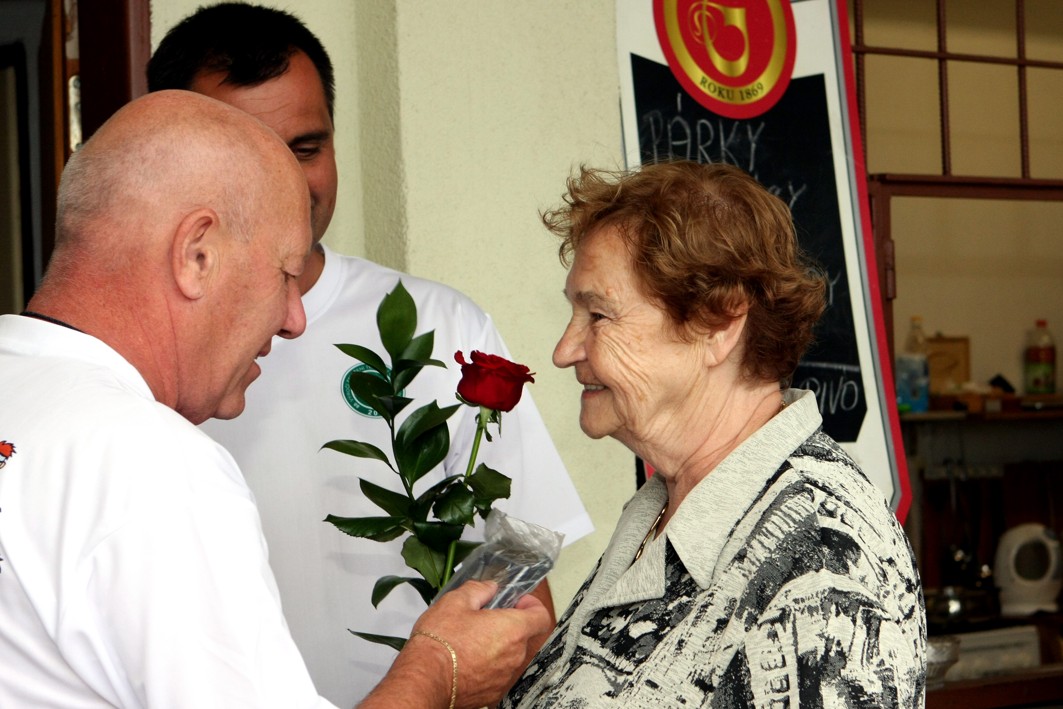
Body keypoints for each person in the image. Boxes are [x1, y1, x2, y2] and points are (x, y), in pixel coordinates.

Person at [0, 90, 550, 709]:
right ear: (197, 254)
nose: (295, 320)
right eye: (286, 274)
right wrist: (438, 670)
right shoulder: (153, 466)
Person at [146, 7, 593, 703]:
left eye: (306, 148)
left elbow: (522, 570)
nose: (290, 181)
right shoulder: (139, 345)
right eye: (253, 153)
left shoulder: (443, 327)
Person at [501, 161, 927, 707]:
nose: (564, 351)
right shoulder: (669, 503)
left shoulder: (820, 559)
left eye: (599, 315)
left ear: (719, 324)